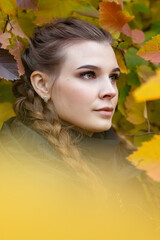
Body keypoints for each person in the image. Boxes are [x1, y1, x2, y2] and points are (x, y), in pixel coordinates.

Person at [0, 17, 160, 239]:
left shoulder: (114, 153)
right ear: (42, 84)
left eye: (113, 77)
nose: (110, 91)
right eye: (88, 74)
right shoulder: (18, 176)